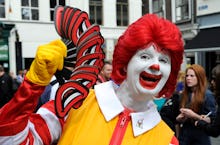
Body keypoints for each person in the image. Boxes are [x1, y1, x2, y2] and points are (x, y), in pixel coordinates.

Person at [0, 7, 184, 145]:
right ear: (126, 62)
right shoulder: (73, 104)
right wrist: (33, 85)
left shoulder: (166, 140)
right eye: (145, 56)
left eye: (164, 60)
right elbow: (10, 140)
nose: (155, 66)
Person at [176, 64, 216, 145]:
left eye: (192, 76)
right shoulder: (184, 95)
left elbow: (212, 121)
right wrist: (179, 118)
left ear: (199, 77)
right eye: (187, 76)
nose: (188, 78)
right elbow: (178, 119)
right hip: (184, 137)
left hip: (200, 138)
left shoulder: (207, 95)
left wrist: (194, 115)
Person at [195, 64, 220, 137]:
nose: (212, 82)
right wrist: (210, 120)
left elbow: (215, 131)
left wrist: (200, 123)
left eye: (214, 79)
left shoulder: (208, 95)